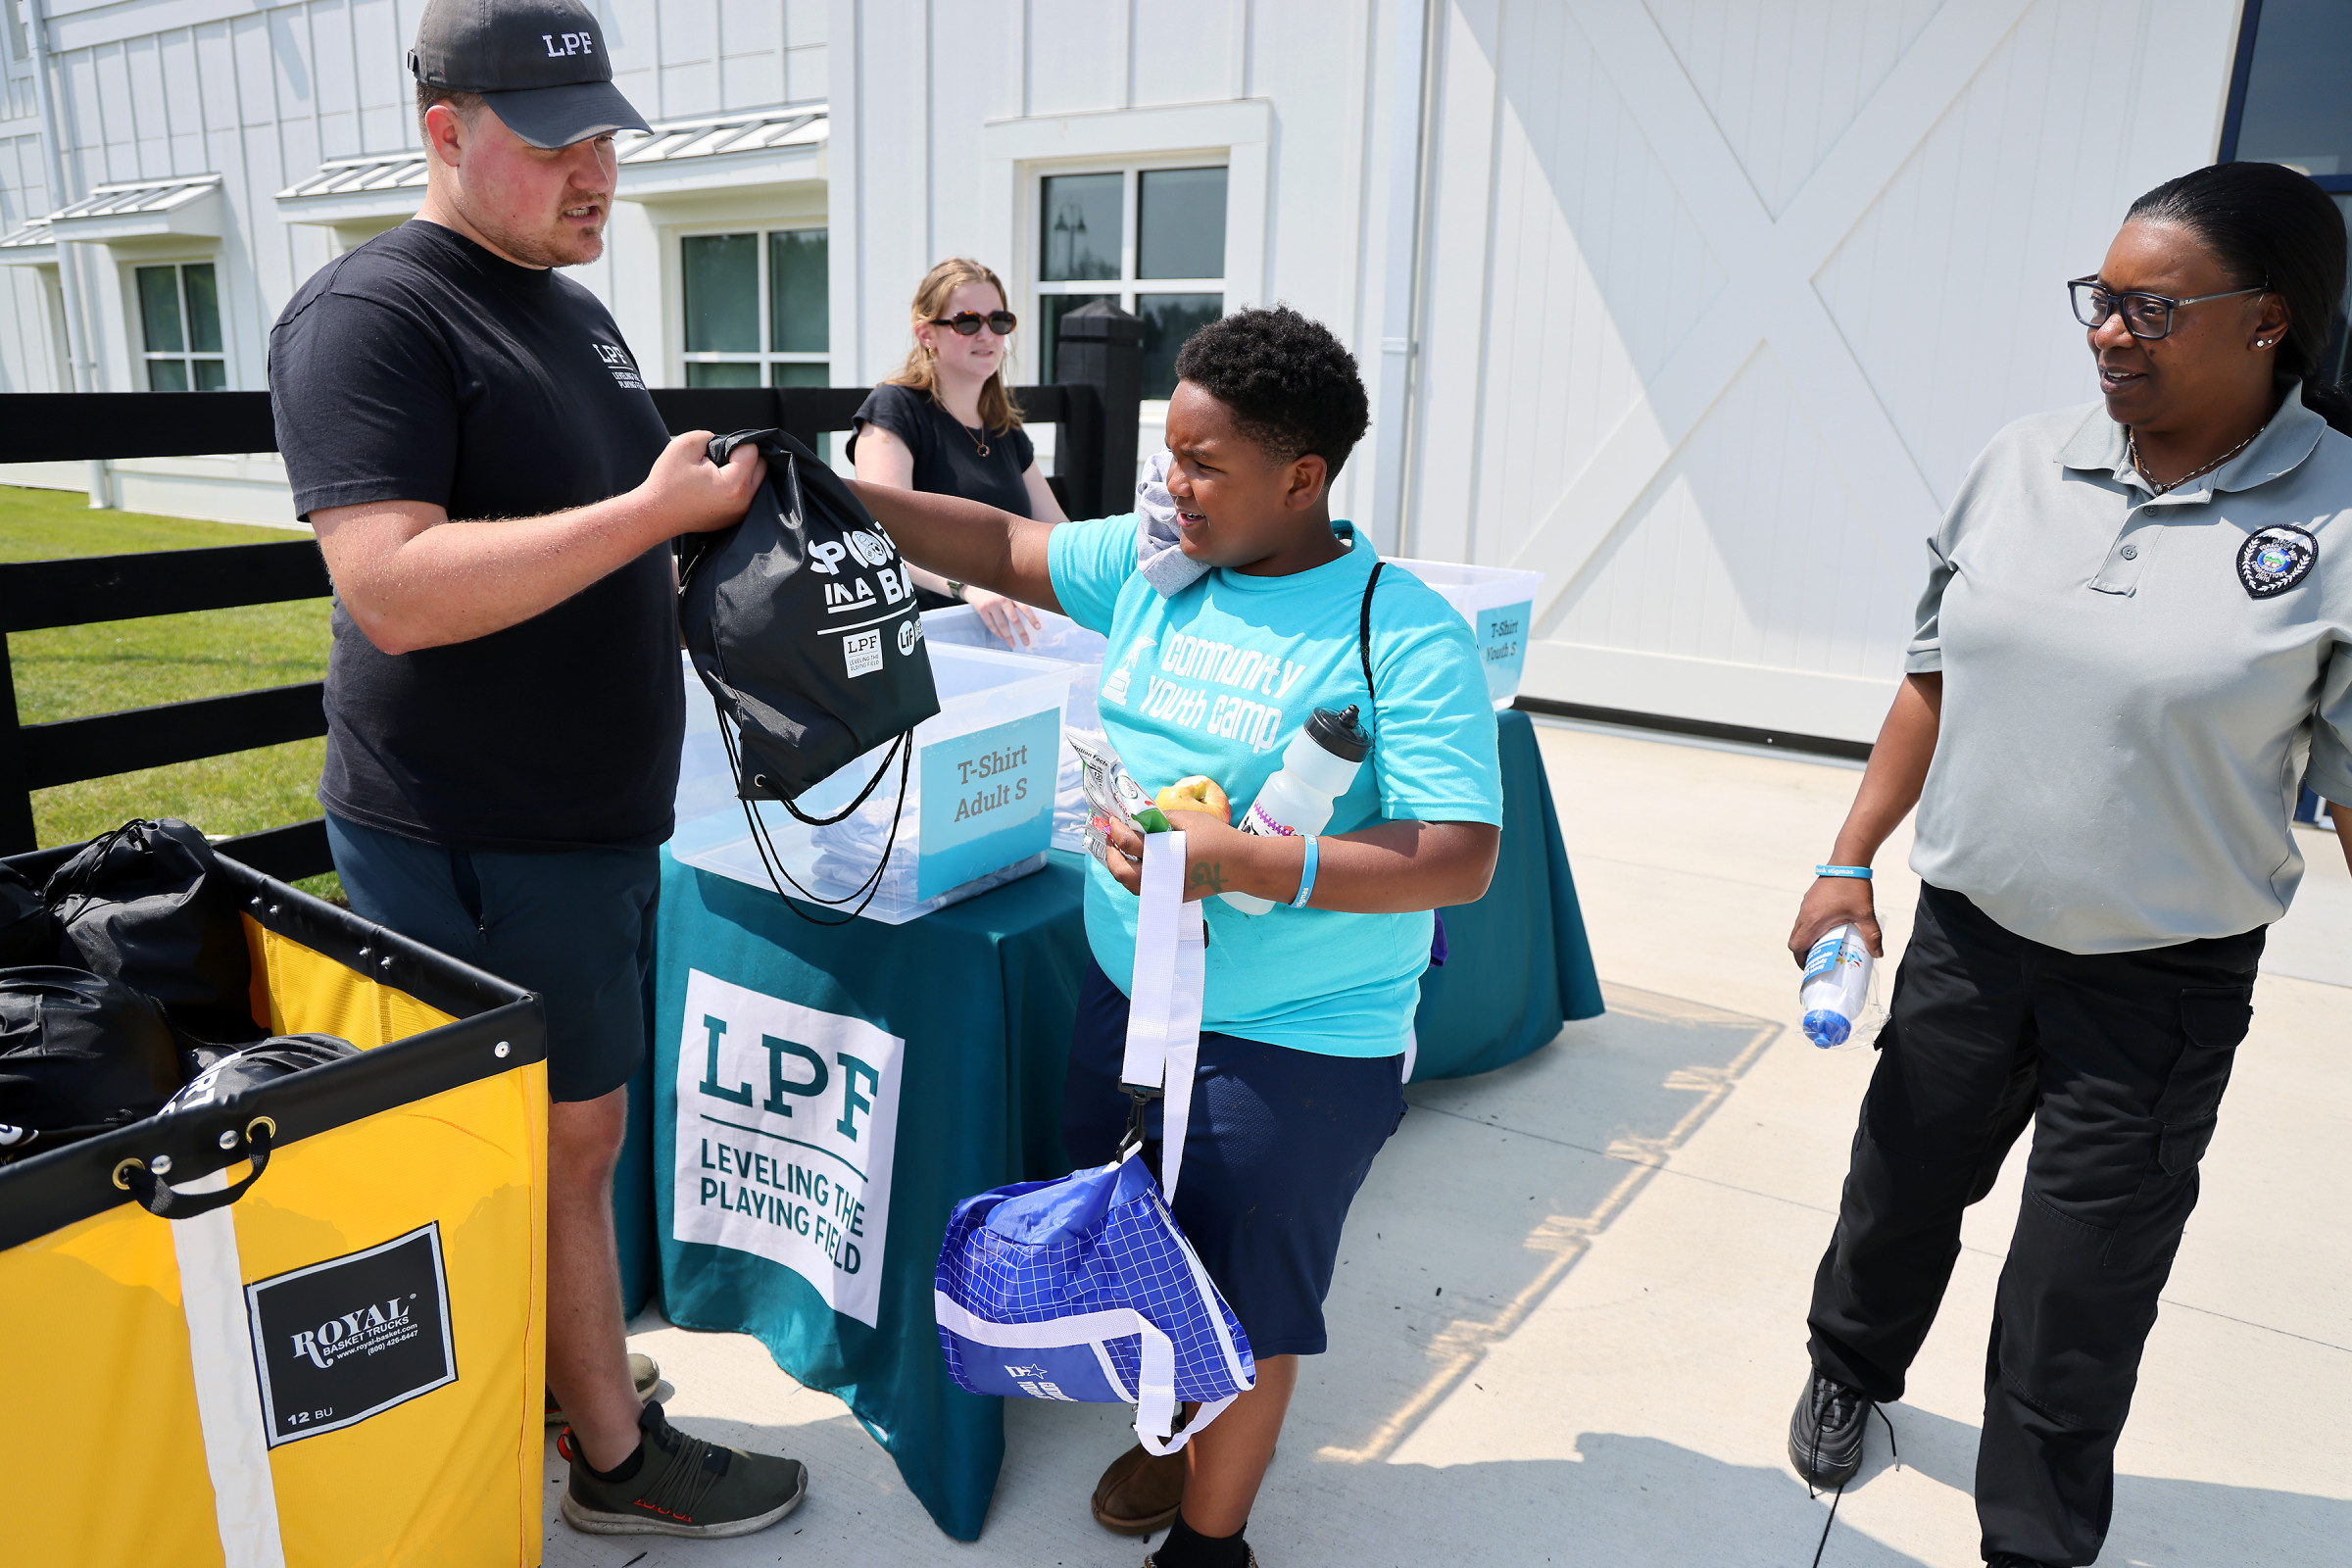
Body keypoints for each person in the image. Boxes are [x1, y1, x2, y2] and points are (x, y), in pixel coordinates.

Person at [267, 0, 809, 1540]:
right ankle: (616, 1468)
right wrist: (650, 518)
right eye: (557, 141)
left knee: (579, 1137)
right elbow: (391, 583)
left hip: (585, 818)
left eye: (606, 138)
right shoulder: (370, 315)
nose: (598, 173)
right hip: (474, 826)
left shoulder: (566, 303)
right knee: (555, 1143)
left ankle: (577, 1390)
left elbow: (587, 523)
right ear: (446, 134)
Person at [851, 306, 1502, 1568]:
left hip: (1298, 1038)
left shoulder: (1398, 629)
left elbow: (1461, 857)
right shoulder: (1163, 566)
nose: (1171, 485)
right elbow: (1000, 539)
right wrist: (829, 492)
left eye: (1203, 463)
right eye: (1169, 452)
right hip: (1132, 997)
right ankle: (1166, 1434)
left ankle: (1212, 1541)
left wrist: (1245, 862)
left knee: (1247, 1300)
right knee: (1143, 1239)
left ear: (1301, 477)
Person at [1784, 161, 2352, 1568]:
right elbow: (1931, 678)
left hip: (2160, 986)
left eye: (2154, 313)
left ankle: (2035, 1541)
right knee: (1899, 1191)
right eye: (2102, 302)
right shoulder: (2023, 462)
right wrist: (1849, 858)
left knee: (2081, 1287)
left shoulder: (2340, 516)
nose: (2109, 333)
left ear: (2269, 320)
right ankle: (1850, 1367)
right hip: (1968, 938)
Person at [849, 257, 1069, 645]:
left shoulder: (1005, 429)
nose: (987, 335)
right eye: (967, 322)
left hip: (1007, 638)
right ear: (926, 334)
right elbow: (882, 538)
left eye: (999, 321)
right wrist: (966, 588)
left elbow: (1059, 535)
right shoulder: (894, 409)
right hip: (923, 639)